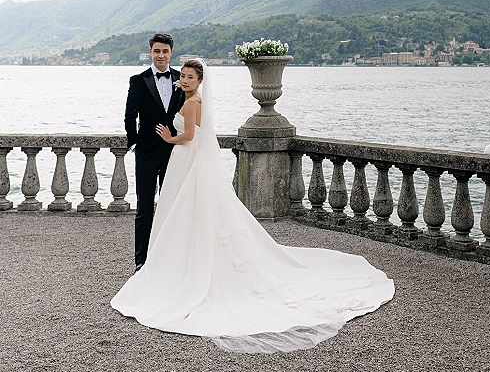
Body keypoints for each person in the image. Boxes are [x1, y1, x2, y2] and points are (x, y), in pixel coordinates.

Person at [112, 58, 395, 353]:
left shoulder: (194, 101)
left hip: (188, 157)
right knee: (183, 212)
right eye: (182, 76)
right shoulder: (187, 96)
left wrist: (171, 137)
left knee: (190, 210)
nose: (183, 80)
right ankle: (178, 260)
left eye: (189, 77)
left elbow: (190, 136)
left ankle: (189, 265)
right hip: (186, 161)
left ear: (199, 81)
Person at [124, 33, 184, 271]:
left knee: (172, 205)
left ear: (171, 53)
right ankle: (141, 261)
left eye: (165, 51)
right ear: (150, 52)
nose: (161, 55)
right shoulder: (138, 80)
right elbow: (130, 115)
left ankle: (170, 258)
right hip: (146, 152)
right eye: (157, 51)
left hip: (175, 151)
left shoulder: (182, 79)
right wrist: (134, 142)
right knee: (144, 208)